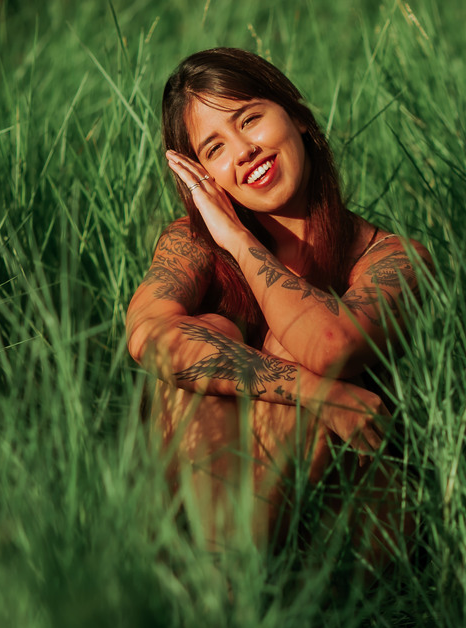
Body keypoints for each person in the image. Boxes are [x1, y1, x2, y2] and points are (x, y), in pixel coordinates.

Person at [125, 47, 430, 564]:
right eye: (215, 148)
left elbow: (330, 347)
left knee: (292, 337)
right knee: (208, 330)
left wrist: (242, 243)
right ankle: (233, 582)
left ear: (299, 119)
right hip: (215, 505)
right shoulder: (192, 243)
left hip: (344, 525)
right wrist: (313, 391)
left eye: (250, 119)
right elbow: (148, 336)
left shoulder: (391, 257)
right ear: (203, 175)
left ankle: (234, 593)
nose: (243, 151)